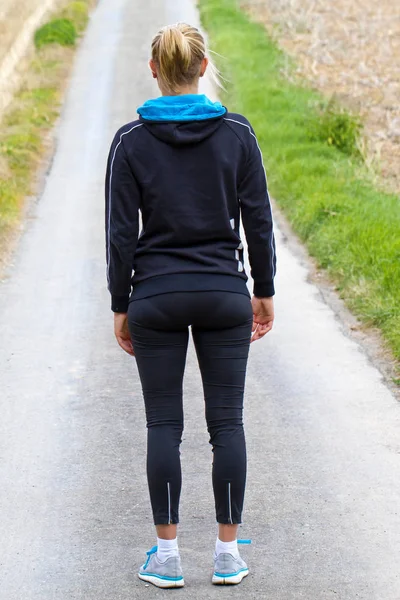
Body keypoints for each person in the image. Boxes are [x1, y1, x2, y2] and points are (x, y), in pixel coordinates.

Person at [105, 22, 276, 589]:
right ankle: (228, 556)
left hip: (155, 294)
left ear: (154, 71)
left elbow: (119, 234)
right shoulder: (238, 133)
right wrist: (264, 291)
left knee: (163, 423)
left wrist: (121, 303)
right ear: (203, 68)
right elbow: (258, 221)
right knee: (227, 423)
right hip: (224, 293)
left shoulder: (130, 142)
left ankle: (167, 556)